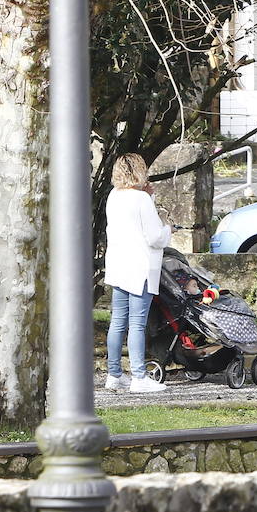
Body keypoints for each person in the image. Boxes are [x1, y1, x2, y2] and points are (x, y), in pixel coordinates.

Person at [103, 153, 172, 394]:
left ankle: (114, 374)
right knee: (137, 324)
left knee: (117, 323)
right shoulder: (141, 199)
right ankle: (139, 376)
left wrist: (148, 197)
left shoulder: (114, 196)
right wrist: (167, 229)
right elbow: (154, 237)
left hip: (118, 265)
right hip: (140, 267)